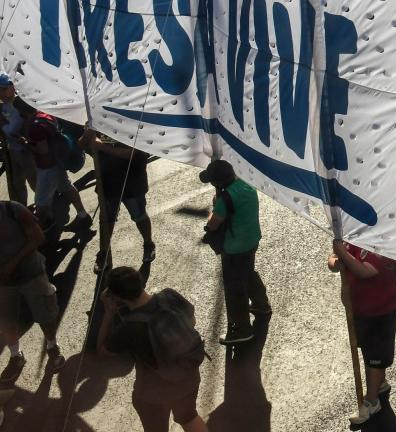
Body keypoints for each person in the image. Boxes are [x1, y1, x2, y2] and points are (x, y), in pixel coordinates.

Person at [97, 266, 208, 432]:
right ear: (140, 282)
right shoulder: (170, 296)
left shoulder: (129, 328)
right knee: (188, 417)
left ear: (117, 297)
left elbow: (103, 351)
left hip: (153, 392)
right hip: (188, 374)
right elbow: (191, 320)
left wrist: (108, 313)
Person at [328, 239, 396, 424]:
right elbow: (335, 258)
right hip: (361, 309)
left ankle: (372, 401)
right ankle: (379, 383)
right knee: (369, 350)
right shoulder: (351, 237)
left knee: (375, 357)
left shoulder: (383, 242)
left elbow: (365, 271)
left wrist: (343, 255)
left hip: (381, 310)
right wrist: (335, 261)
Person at [200, 159, 271, 344]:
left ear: (218, 183)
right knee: (248, 273)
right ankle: (261, 304)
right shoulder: (246, 184)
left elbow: (213, 224)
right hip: (252, 240)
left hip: (234, 249)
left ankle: (241, 329)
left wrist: (214, 208)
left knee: (234, 288)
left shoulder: (225, 199)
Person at [0, 199, 66, 383]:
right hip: (3, 282)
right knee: (6, 320)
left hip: (31, 272)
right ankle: (16, 356)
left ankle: (52, 347)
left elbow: (38, 237)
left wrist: (11, 265)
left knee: (45, 312)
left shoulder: (12, 210)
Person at [83, 129, 155, 275]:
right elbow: (82, 144)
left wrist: (100, 145)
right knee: (106, 220)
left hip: (132, 181)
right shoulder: (95, 120)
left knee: (139, 216)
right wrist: (87, 136)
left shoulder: (131, 120)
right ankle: (104, 252)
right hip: (108, 182)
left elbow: (130, 152)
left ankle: (148, 243)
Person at [26, 111, 91, 229]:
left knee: (40, 202)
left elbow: (43, 150)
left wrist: (27, 144)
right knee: (67, 187)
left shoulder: (35, 126)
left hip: (47, 167)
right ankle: (83, 215)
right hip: (58, 161)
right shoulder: (45, 114)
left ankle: (45, 229)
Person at [0, 75, 36, 206]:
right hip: (12, 151)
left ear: (12, 88)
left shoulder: (21, 104)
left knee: (34, 181)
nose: (1, 93)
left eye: (3, 89)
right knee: (17, 184)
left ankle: (46, 209)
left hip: (27, 151)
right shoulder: (2, 107)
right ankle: (21, 210)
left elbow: (13, 129)